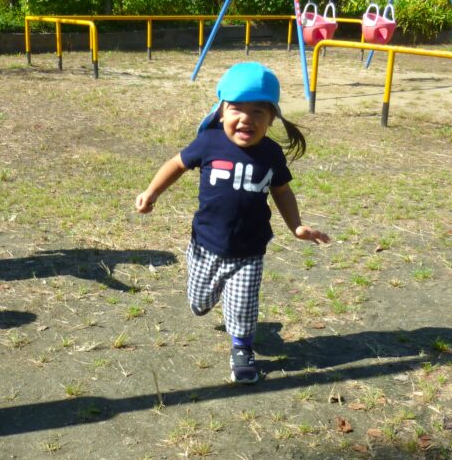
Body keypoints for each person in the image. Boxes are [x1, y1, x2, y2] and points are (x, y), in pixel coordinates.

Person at [136, 61, 330, 384]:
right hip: (205, 245)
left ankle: (242, 348)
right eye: (237, 109)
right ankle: (216, 298)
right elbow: (177, 164)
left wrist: (296, 226)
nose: (246, 119)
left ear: (271, 119)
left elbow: (282, 192)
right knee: (199, 305)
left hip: (249, 249)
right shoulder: (209, 143)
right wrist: (151, 192)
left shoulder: (270, 154)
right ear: (222, 111)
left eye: (258, 112)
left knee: (242, 304)